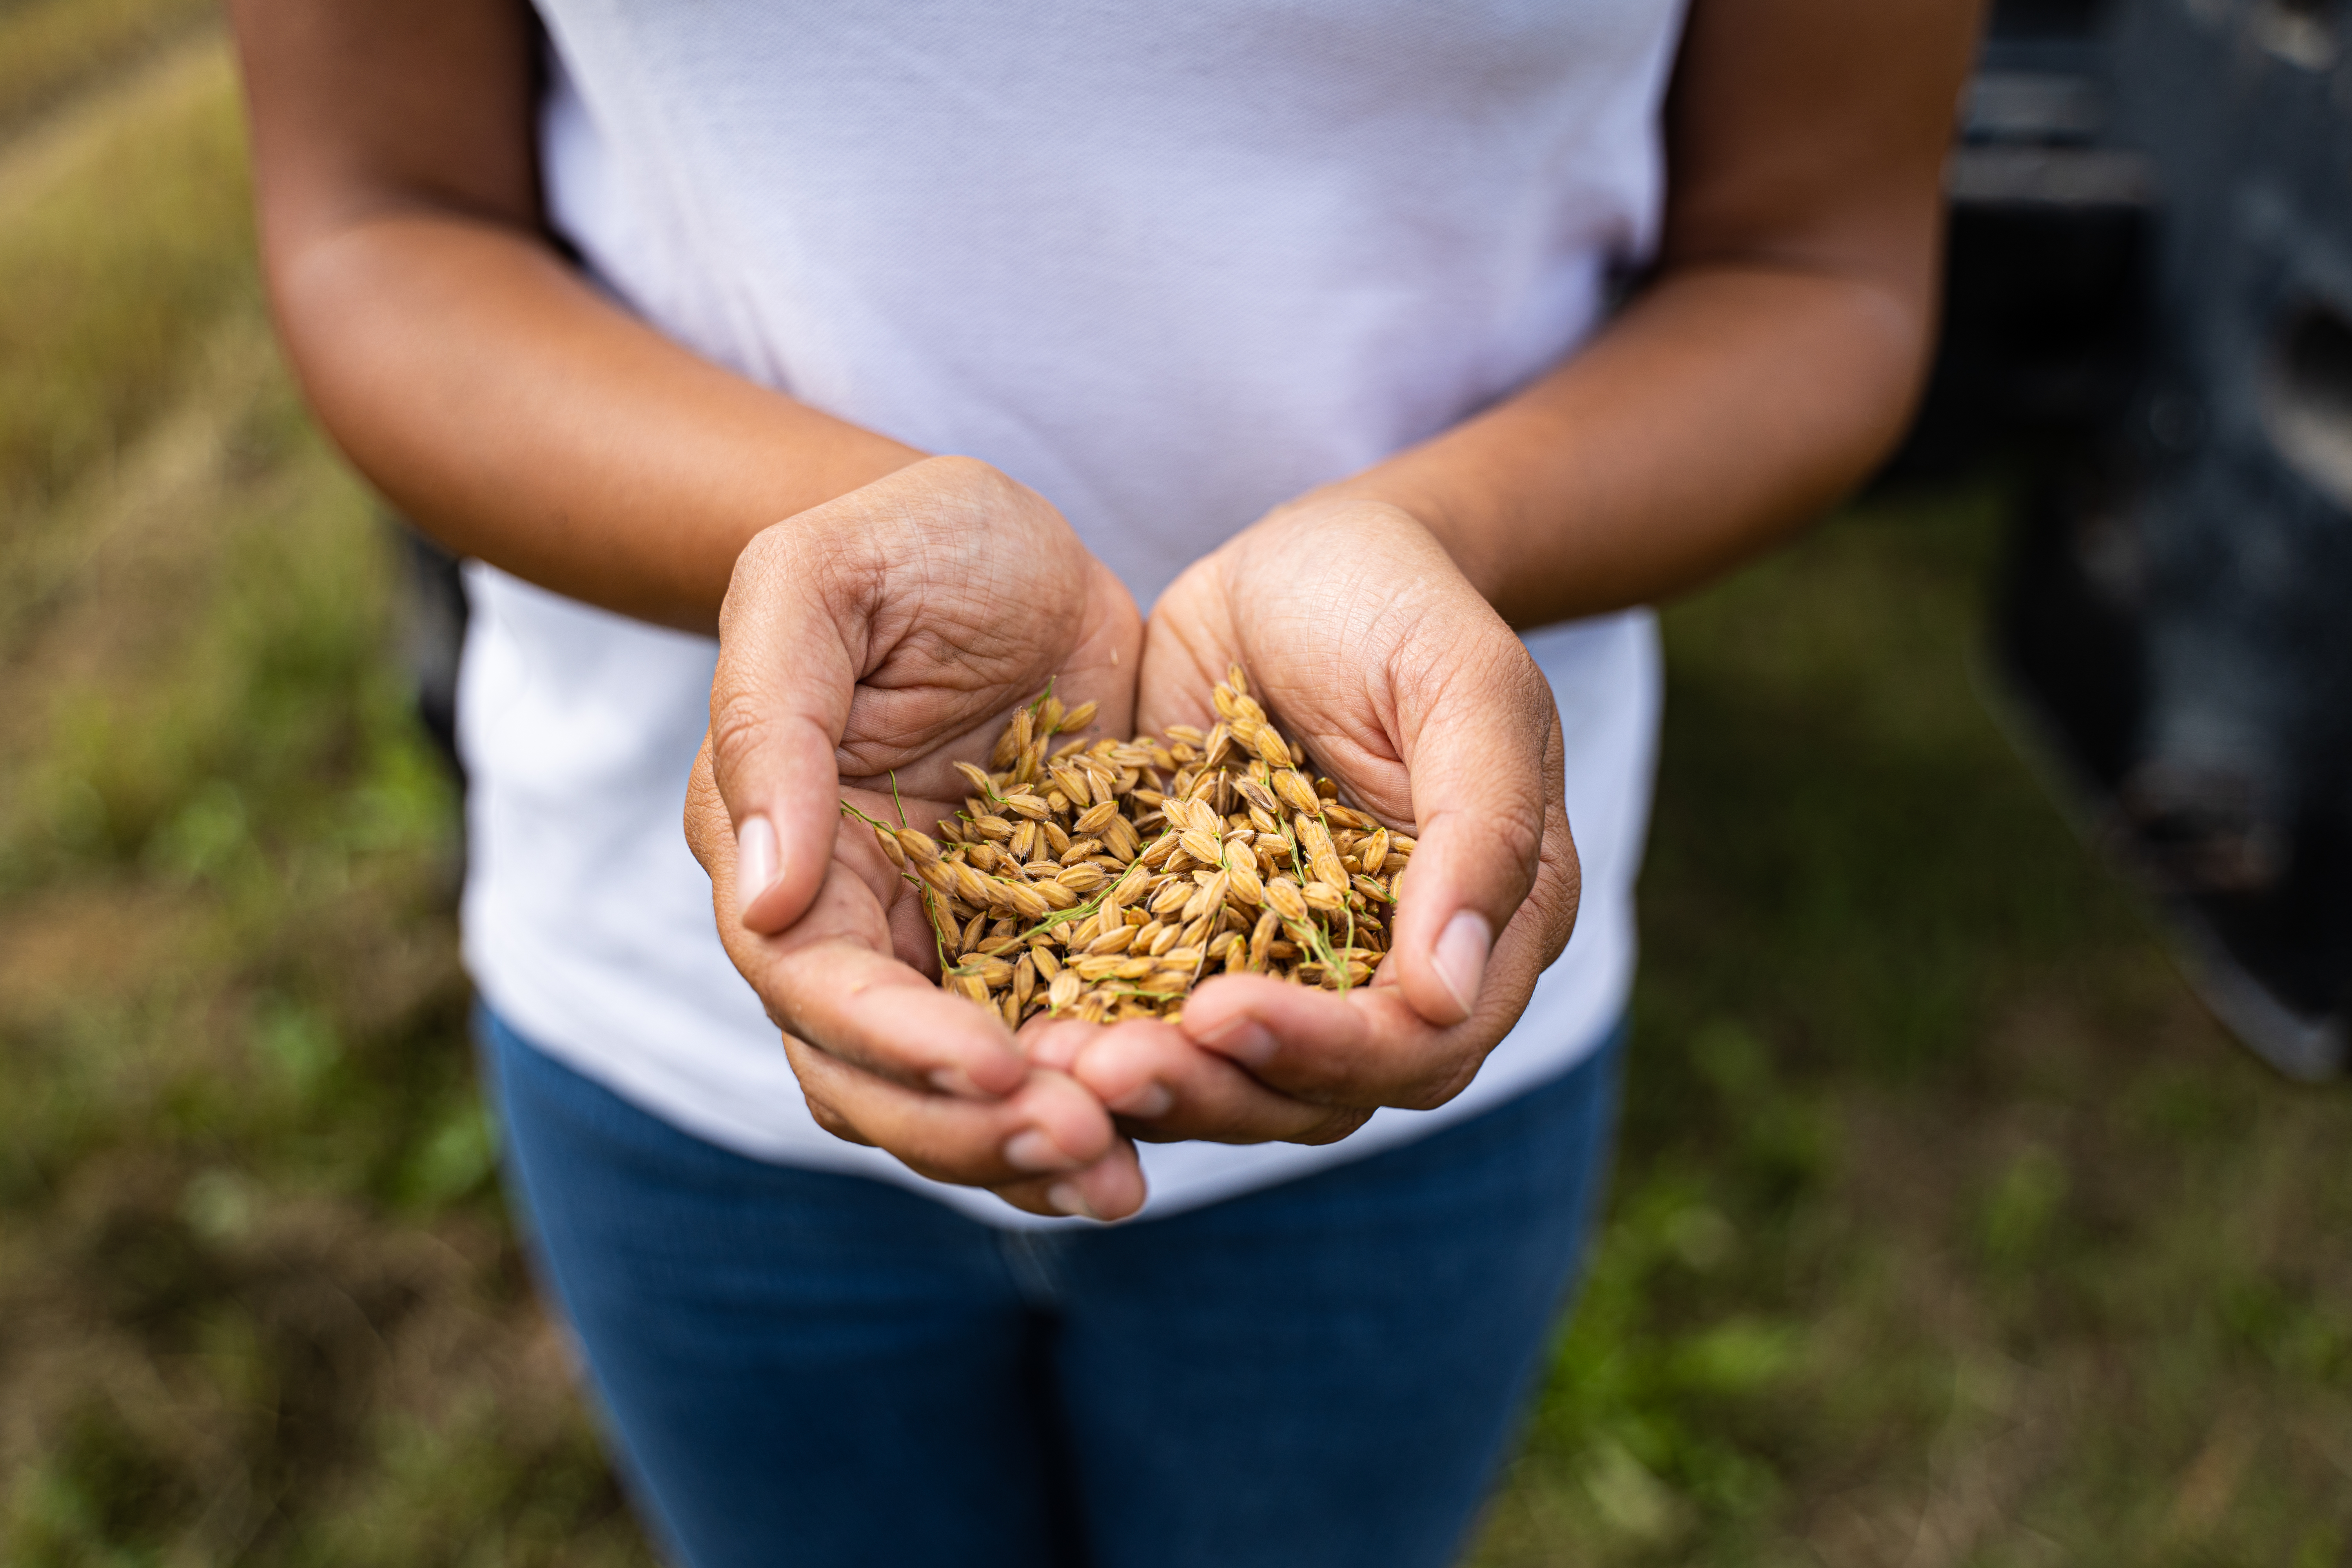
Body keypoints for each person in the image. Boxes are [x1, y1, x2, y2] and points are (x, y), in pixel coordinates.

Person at [228, 2, 1978, 1563]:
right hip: (672, 995)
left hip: (1420, 972)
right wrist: (818, 540)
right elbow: (383, 224)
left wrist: (1433, 533)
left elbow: (1815, 267)